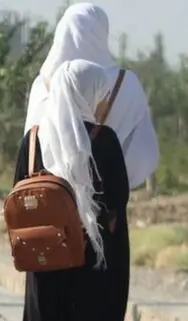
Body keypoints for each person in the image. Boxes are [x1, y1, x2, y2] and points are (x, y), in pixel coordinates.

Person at [15, 59, 130, 321]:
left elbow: (18, 191)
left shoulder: (33, 140)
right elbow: (118, 200)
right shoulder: (104, 140)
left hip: (45, 259)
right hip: (93, 263)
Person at [24, 2, 159, 191]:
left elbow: (30, 147)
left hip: (50, 199)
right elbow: (143, 152)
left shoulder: (41, 84)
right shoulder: (125, 83)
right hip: (106, 193)